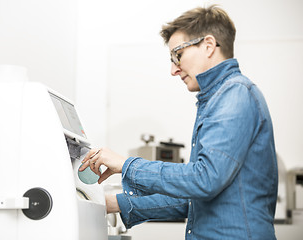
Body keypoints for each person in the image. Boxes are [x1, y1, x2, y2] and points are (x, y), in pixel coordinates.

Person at [79, 5, 278, 240]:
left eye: (178, 55)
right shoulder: (217, 98)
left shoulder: (234, 95)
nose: (174, 69)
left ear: (208, 46)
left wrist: (127, 165)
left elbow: (204, 180)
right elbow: (194, 198)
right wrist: (115, 203)